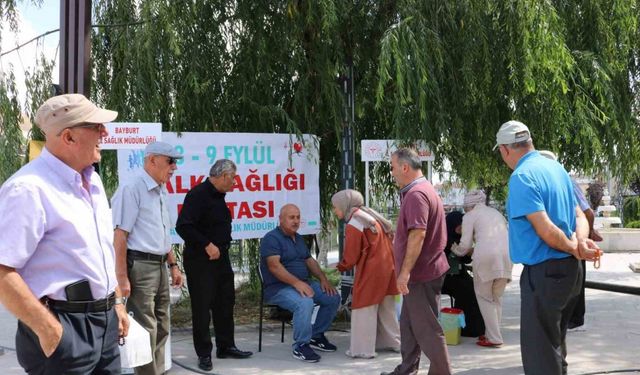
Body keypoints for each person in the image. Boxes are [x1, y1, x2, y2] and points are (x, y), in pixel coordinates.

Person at [0, 94, 129, 374]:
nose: (104, 133)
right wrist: (48, 330)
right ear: (68, 137)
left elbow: (101, 250)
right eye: (96, 127)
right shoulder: (28, 189)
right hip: (63, 326)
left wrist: (116, 302)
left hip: (104, 323)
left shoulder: (91, 179)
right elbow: (2, 271)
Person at [495, 120, 602, 375]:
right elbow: (580, 214)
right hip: (570, 272)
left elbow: (546, 230)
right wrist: (580, 241)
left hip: (545, 272)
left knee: (539, 354)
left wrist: (574, 247)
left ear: (505, 150)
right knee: (554, 346)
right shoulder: (556, 169)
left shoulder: (522, 177)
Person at [111, 141, 185, 374]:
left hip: (160, 265)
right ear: (152, 160)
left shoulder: (161, 189)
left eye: (176, 162)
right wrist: (121, 278)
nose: (174, 167)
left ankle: (158, 370)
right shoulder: (132, 189)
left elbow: (163, 232)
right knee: (145, 328)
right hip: (140, 266)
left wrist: (173, 264)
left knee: (162, 325)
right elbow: (120, 236)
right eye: (170, 161)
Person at [175, 159, 252, 372]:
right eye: (233, 177)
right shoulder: (197, 194)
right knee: (202, 308)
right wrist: (206, 244)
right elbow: (183, 226)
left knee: (225, 302)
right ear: (223, 175)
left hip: (222, 258)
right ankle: (204, 353)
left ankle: (226, 346)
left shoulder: (219, 197)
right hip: (201, 261)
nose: (235, 182)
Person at [381, 148, 452, 375]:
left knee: (427, 328)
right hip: (423, 271)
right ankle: (406, 369)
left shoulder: (416, 195)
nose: (392, 172)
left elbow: (418, 234)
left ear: (404, 167)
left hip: (421, 273)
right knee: (409, 325)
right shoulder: (423, 190)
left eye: (392, 167)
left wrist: (405, 272)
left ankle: (442, 372)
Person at [259, 204, 341, 363]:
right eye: (291, 217)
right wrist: (297, 283)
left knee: (332, 297)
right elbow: (274, 267)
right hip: (278, 288)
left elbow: (309, 261)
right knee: (304, 302)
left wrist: (323, 280)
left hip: (303, 283)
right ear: (281, 219)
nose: (295, 221)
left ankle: (316, 336)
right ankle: (301, 345)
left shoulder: (298, 238)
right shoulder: (271, 238)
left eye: (297, 217)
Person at [331, 189, 400, 359]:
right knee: (387, 308)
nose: (334, 210)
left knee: (364, 308)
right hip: (388, 266)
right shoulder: (371, 216)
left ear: (345, 205)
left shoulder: (355, 222)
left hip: (371, 269)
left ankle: (363, 349)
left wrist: (340, 266)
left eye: (335, 207)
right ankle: (394, 342)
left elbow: (352, 255)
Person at [539, 150, 603, 331]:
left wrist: (586, 236)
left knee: (576, 282)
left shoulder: (564, 182)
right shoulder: (552, 183)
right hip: (568, 241)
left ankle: (575, 317)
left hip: (574, 240)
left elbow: (587, 213)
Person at [454, 190, 513, 347]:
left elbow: (465, 246)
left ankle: (494, 338)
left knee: (484, 297)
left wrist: (455, 249)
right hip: (507, 256)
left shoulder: (469, 215)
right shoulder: (496, 213)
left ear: (468, 205)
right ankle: (491, 334)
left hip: (486, 258)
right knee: (496, 298)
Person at [441, 211, 486, 338]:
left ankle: (474, 328)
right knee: (467, 291)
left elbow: (466, 259)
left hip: (459, 274)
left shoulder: (462, 239)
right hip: (446, 277)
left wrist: (466, 251)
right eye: (459, 225)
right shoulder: (443, 239)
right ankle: (467, 328)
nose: (461, 228)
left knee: (476, 288)